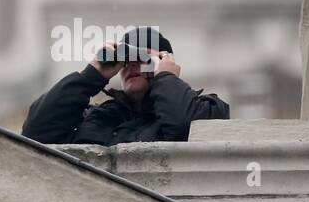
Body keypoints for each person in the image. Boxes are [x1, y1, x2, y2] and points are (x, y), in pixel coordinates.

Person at [21, 26, 229, 145]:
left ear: (165, 61)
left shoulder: (205, 108)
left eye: (143, 57)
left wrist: (165, 77)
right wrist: (91, 75)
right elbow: (36, 133)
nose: (133, 65)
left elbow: (183, 129)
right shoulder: (96, 118)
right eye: (126, 58)